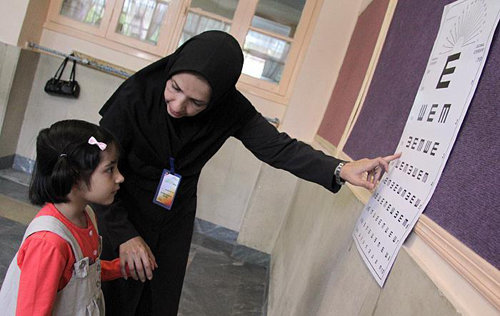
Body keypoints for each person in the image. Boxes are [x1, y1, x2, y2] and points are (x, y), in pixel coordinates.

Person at [95, 30, 401, 315]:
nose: (177, 106)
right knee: (111, 291)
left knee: (158, 296)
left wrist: (342, 168)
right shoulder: (135, 95)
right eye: (174, 89)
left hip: (174, 213)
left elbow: (278, 148)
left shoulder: (231, 109)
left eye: (196, 103)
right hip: (120, 206)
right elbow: (98, 171)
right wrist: (125, 235)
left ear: (217, 99)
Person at [0, 119, 128, 315]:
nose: (120, 177)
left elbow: (82, 274)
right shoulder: (49, 244)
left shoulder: (87, 215)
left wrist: (120, 267)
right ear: (74, 177)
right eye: (110, 169)